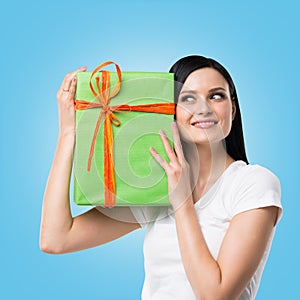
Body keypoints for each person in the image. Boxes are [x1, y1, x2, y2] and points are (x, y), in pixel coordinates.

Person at [40, 55, 282, 299]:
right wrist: (68, 133)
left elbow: (215, 295)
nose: (203, 108)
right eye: (187, 98)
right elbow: (56, 238)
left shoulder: (253, 184)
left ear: (233, 107)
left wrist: (181, 201)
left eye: (216, 96)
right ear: (170, 111)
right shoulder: (157, 186)